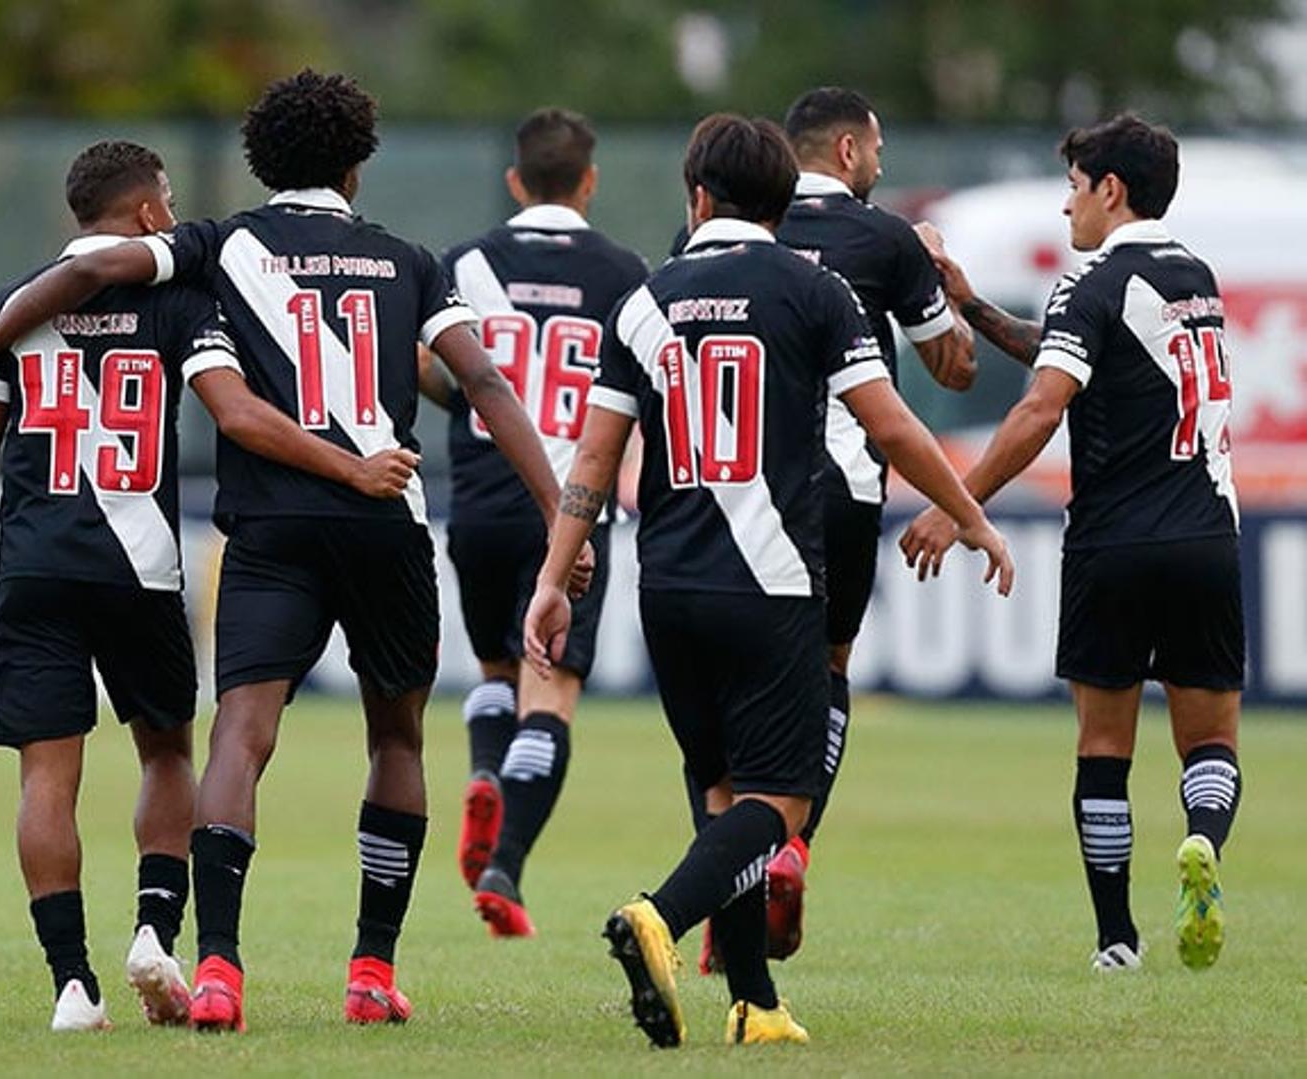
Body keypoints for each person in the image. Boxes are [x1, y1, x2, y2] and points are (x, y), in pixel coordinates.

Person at [0, 71, 574, 1031]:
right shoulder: (409, 260)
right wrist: (563, 512)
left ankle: (221, 967)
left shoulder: (220, 247)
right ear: (358, 163)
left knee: (240, 732)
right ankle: (371, 969)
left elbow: (94, 269)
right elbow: (482, 383)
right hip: (382, 519)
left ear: (259, 160)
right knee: (395, 738)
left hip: (268, 531)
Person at [0, 140, 420, 1032]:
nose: (176, 212)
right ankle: (155, 929)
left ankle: (73, 983)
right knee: (169, 755)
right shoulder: (179, 300)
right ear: (147, 213)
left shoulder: (13, 306)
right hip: (140, 570)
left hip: (34, 567)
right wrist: (350, 465)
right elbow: (235, 410)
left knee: (45, 778)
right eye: (170, 200)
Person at [524, 114, 1012, 1048]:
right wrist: (974, 514)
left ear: (695, 196)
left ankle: (753, 1000)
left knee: (719, 793)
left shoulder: (645, 297)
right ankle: (659, 915)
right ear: (783, 203)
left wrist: (553, 578)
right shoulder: (813, 290)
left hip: (666, 586)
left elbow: (594, 456)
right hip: (775, 581)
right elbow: (898, 427)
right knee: (778, 803)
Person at [905, 115, 1242, 973]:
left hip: (1112, 543)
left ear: (1110, 191)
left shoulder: (1092, 283)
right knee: (1211, 741)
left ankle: (1117, 940)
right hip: (1206, 534)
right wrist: (971, 302)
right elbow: (1070, 352)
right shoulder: (1194, 278)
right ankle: (1202, 841)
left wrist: (957, 502)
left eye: (1073, 187)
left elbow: (1041, 405)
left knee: (1104, 748)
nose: (1066, 209)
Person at [695, 86, 980, 970]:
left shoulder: (698, 241)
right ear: (850, 152)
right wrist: (942, 284)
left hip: (728, 494)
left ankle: (726, 902)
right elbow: (956, 368)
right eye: (881, 148)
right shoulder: (888, 238)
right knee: (824, 671)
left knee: (725, 691)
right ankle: (791, 844)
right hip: (843, 489)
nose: (884, 165)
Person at [419, 107, 648, 937]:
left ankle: (484, 769)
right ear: (588, 181)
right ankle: (507, 864)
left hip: (481, 497)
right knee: (549, 691)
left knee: (494, 667)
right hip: (573, 513)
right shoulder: (625, 273)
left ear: (516, 180)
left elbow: (431, 369)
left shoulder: (468, 262)